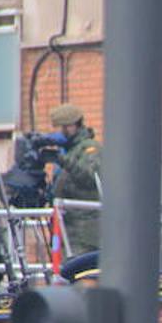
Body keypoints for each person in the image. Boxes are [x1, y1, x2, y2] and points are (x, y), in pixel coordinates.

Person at [48, 103, 102, 254]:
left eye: (64, 127)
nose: (61, 132)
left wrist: (63, 161)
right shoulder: (70, 151)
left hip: (84, 232)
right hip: (68, 229)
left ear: (74, 125)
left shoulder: (89, 148)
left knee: (79, 273)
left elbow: (90, 177)